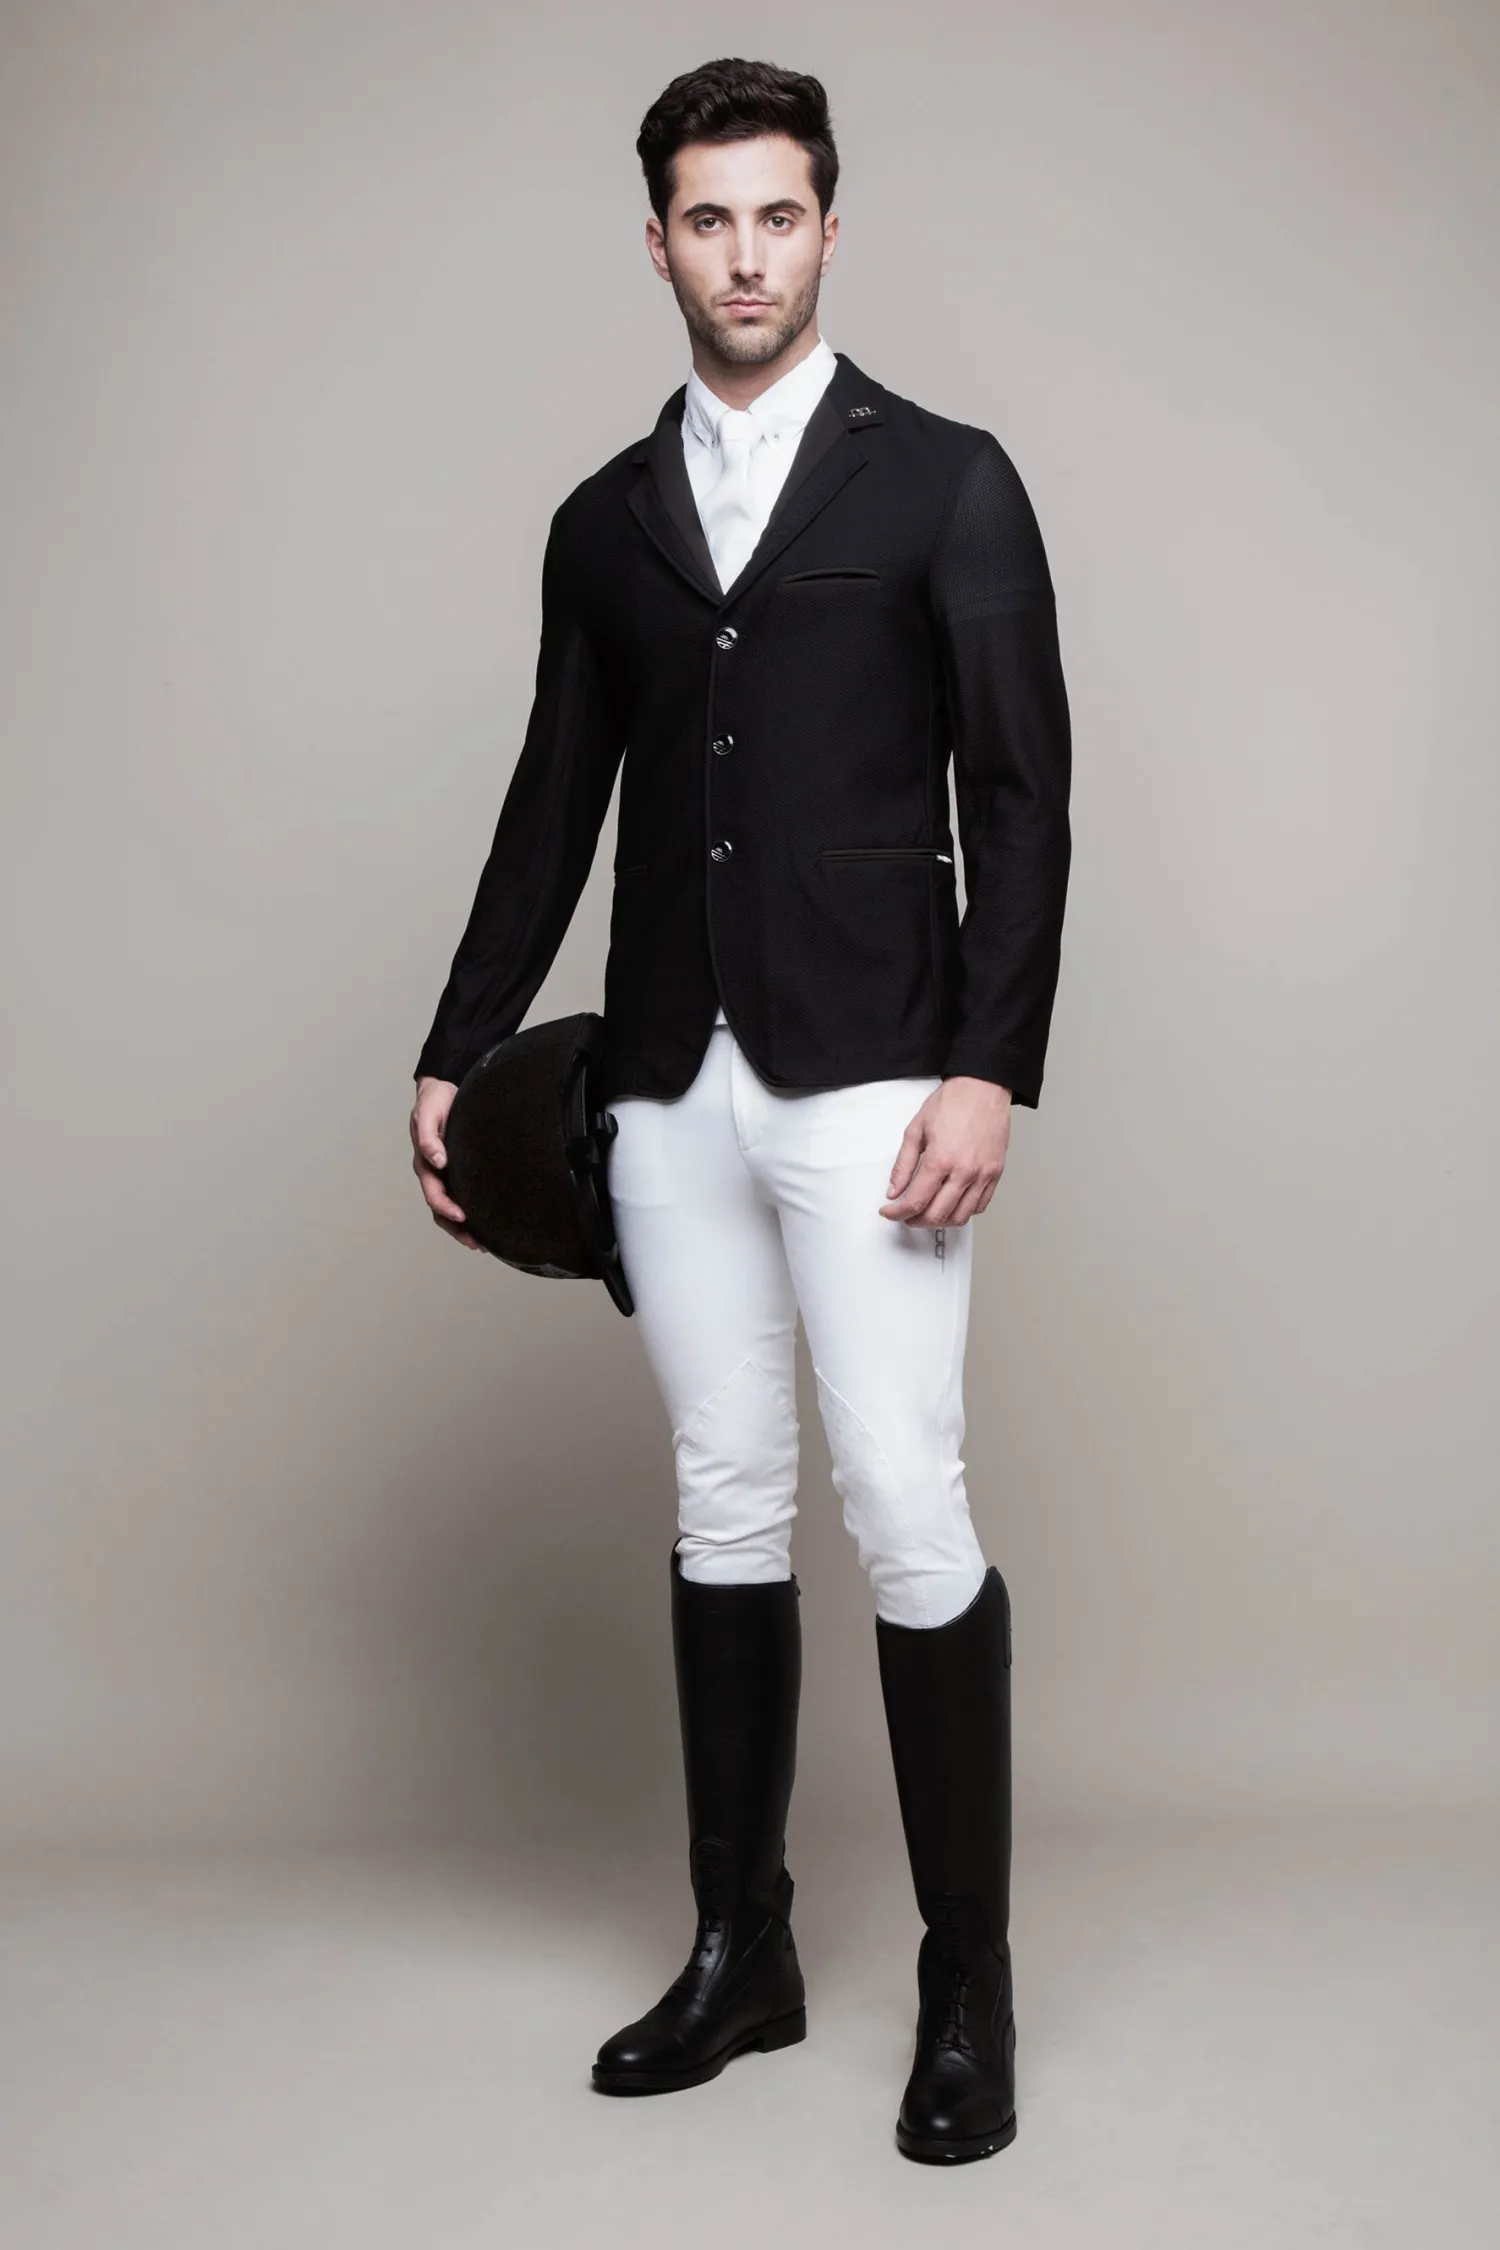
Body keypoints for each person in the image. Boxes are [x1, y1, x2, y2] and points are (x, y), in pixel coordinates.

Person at [408, 56, 1071, 2165]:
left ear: (830, 228)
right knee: (723, 1494)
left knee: (905, 1498)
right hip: (665, 1078)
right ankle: (743, 1951)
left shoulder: (947, 483)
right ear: (660, 244)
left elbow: (1020, 801)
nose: (747, 254)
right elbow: (552, 800)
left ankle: (968, 1987)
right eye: (709, 219)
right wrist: (460, 1040)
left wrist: (992, 1061)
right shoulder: (603, 522)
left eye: (779, 214)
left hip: (879, 1071)